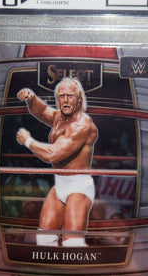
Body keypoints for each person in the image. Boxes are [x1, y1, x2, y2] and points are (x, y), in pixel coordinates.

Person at [16, 78, 98, 247]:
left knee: (72, 243)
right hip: (60, 183)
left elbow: (53, 154)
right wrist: (31, 98)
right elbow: (42, 110)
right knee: (44, 239)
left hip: (78, 186)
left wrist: (28, 141)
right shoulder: (59, 117)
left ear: (79, 99)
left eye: (70, 96)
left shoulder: (82, 126)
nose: (65, 100)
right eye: (61, 96)